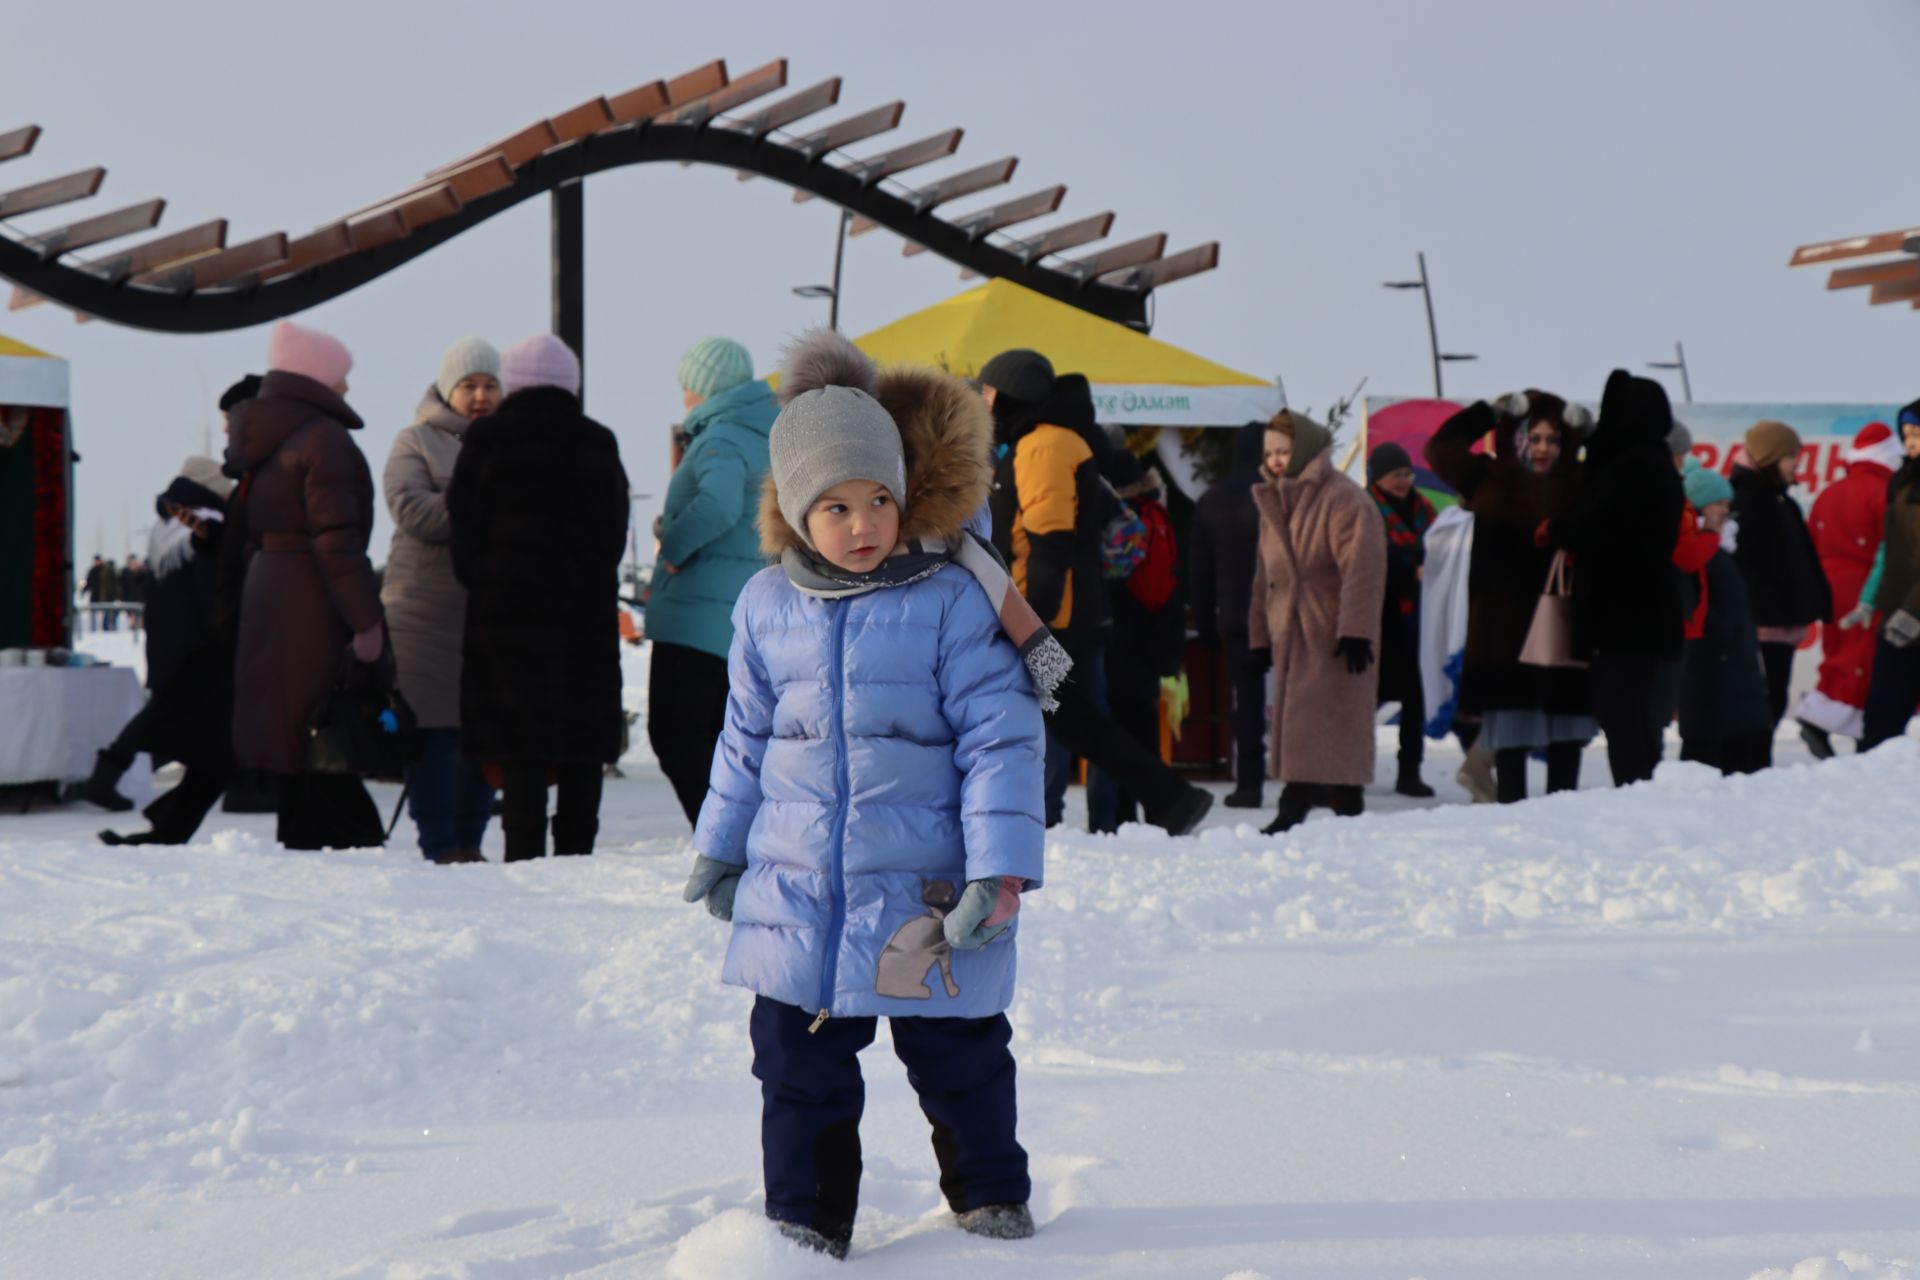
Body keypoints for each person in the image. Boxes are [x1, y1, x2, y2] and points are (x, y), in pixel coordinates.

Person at [682, 331, 1048, 1260]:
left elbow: (1001, 738)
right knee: (796, 1067)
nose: (860, 525)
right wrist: (722, 845)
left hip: (925, 891)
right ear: (798, 514)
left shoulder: (952, 599)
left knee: (959, 1052)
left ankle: (991, 1199)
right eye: (834, 507)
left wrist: (999, 872)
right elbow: (743, 738)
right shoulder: (768, 603)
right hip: (802, 889)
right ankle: (805, 1226)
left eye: (876, 500)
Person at [980, 348, 1212, 836]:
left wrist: (1031, 626)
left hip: (1049, 618)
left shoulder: (1043, 446)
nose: (982, 403)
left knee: (1071, 719)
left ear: (1005, 393)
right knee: (1077, 719)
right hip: (1055, 615)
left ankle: (1170, 798)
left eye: (986, 392)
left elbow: (1050, 541)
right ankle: (1171, 797)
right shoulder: (1043, 441)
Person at [448, 335, 627, 861]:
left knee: (519, 749)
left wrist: (489, 582)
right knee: (580, 750)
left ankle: (521, 860)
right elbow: (614, 538)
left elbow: (463, 538)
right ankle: (576, 857)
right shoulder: (598, 442)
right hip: (583, 623)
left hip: (506, 626)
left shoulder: (486, 442)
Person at [224, 322, 388, 850]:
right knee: (325, 722)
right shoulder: (324, 440)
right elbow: (337, 542)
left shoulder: (263, 440)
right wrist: (366, 622)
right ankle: (349, 845)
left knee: (294, 732)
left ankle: (305, 840)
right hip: (313, 600)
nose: (345, 389)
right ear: (316, 379)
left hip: (269, 592)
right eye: (340, 378)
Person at [1425, 392, 1595, 803]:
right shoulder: (1489, 476)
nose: (1542, 449)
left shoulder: (1580, 480)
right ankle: (1511, 820)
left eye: (1553, 439)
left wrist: (1589, 429)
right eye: (1533, 438)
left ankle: (1564, 821)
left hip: (1563, 627)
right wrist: (1490, 412)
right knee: (1512, 742)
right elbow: (1439, 448)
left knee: (1565, 739)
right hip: (1503, 634)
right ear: (1515, 438)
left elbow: (1621, 468)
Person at [645, 337, 777, 825]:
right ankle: (736, 830)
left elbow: (718, 504)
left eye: (688, 386)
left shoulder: (720, 436)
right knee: (724, 736)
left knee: (676, 733)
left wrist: (674, 546)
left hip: (697, 615)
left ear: (704, 387)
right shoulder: (766, 432)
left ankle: (720, 833)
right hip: (740, 613)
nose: (684, 397)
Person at [381, 338, 502, 864]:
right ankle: (438, 842)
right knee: (434, 734)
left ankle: (472, 841)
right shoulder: (415, 441)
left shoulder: (507, 443)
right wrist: (487, 503)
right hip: (424, 614)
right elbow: (412, 510)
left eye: (490, 385)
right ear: (447, 389)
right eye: (469, 385)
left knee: (481, 733)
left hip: (487, 614)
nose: (480, 395)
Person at [1547, 371, 1685, 787]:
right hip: (1645, 609)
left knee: (1620, 711)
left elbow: (1593, 524)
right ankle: (1639, 787)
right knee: (1634, 712)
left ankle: (1634, 791)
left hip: (1620, 612)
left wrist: (1556, 529)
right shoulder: (1654, 460)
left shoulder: (1626, 466)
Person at [1251, 410, 1386, 833]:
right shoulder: (1275, 498)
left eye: (1284, 451)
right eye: (1270, 452)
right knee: (1304, 722)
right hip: (1290, 629)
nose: (1275, 460)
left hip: (1330, 629)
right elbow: (1265, 575)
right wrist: (1258, 636)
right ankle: (1321, 805)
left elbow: (1363, 567)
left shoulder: (1344, 498)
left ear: (1304, 449)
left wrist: (1356, 630)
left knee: (1330, 722)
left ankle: (1321, 805)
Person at [83, 455, 234, 831]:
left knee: (177, 714)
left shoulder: (166, 526)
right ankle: (107, 777)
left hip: (167, 637)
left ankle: (113, 776)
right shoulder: (203, 525)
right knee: (170, 714)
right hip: (196, 639)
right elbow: (207, 589)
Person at [1089, 450, 1186, 830]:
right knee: (1141, 725)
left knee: (1114, 724)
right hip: (1147, 635)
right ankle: (1159, 808)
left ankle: (1125, 812)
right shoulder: (1154, 512)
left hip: (1116, 632)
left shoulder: (1114, 516)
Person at [1728, 420, 1831, 764]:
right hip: (1763, 626)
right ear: (1770, 458)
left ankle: (1757, 767)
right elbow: (1742, 566)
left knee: (1771, 704)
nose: (1797, 464)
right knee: (1762, 705)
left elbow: (1801, 561)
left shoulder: (1780, 502)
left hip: (1781, 625)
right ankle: (1749, 769)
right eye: (1790, 457)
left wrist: (1817, 601)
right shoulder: (1750, 503)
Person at [1797, 421, 1903, 754]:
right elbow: (1896, 547)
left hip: (1829, 588)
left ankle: (1828, 720)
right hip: (1868, 589)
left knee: (1838, 655)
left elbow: (1809, 544)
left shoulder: (1829, 493)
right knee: (1866, 661)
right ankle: (1861, 733)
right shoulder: (1885, 492)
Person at [1189, 422, 1270, 808]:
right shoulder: (1279, 494)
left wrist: (1205, 623)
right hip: (1285, 615)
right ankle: (1306, 780)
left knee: (1247, 702)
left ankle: (1250, 783)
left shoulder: (1213, 499)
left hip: (1237, 617)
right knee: (1292, 701)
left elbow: (1199, 571)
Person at [1676, 462, 1772, 774]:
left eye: (1727, 503)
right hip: (1710, 666)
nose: (1725, 510)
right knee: (1707, 757)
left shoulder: (1723, 548)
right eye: (1718, 503)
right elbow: (1694, 604)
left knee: (1745, 750)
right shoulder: (1697, 550)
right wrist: (1722, 633)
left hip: (1736, 664)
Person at [1366, 442, 1437, 797]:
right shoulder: (1365, 509)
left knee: (1415, 698)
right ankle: (1352, 771)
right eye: (1396, 475)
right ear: (1378, 478)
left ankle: (1410, 771)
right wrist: (1411, 573)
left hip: (1417, 621)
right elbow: (1368, 561)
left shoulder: (1425, 509)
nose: (1403, 481)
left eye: (1407, 474)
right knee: (1362, 702)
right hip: (1377, 618)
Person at [1858, 404, 1920, 749]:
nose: (1910, 442)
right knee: (1882, 714)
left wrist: (1915, 610)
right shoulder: (1902, 480)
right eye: (1907, 434)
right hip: (1898, 612)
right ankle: (1867, 787)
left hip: (1912, 610)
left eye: (1917, 434)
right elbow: (1888, 548)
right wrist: (1869, 599)